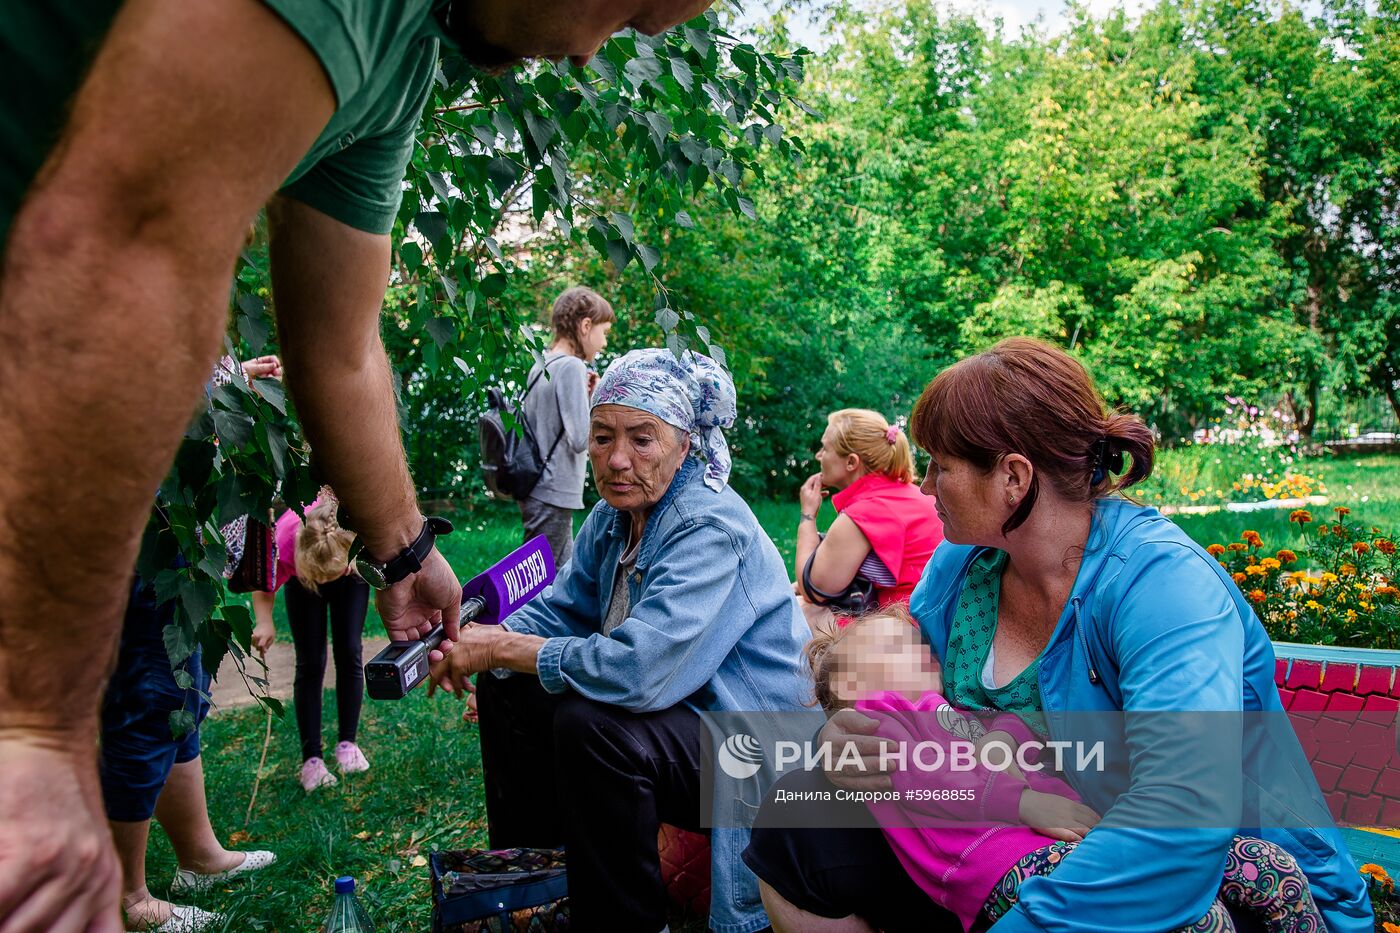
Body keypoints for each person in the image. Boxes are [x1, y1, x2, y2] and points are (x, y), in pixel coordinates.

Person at [0, 3, 713, 930]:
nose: (586, 51)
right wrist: (34, 735)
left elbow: (337, 348)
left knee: (592, 725)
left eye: (641, 440)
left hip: (753, 765)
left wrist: (408, 553)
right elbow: (125, 241)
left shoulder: (402, 60)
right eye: (625, 11)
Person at [744, 338, 1373, 933]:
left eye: (942, 465)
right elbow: (904, 704)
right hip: (1029, 849)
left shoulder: (1162, 588)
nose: (926, 485)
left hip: (1220, 877)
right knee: (799, 815)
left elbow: (1179, 823)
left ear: (1014, 478)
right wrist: (848, 730)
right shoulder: (962, 565)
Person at [429, 348, 811, 933]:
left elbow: (638, 672)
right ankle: (538, 882)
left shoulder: (707, 526)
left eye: (642, 439)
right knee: (510, 686)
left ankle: (626, 921)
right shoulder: (615, 516)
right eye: (602, 438)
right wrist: (488, 639)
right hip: (691, 719)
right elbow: (564, 609)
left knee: (594, 725)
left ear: (684, 445)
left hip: (762, 743)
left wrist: (502, 648)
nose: (616, 460)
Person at [805, 606, 1331, 933]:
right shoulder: (881, 721)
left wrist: (1004, 736)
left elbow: (1010, 724)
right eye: (897, 647)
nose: (922, 649)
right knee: (1195, 919)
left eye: (917, 642)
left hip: (1067, 843)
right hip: (1000, 866)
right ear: (854, 689)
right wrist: (1024, 801)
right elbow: (931, 782)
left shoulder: (951, 712)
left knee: (1271, 864)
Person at [251, 496, 372, 792]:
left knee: (349, 651)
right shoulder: (285, 539)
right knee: (310, 663)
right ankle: (312, 761)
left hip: (350, 576)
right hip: (302, 580)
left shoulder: (355, 530)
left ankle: (347, 744)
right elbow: (263, 581)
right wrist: (264, 620)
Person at [795, 409, 943, 629]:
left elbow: (814, 591)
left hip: (908, 636)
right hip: (936, 625)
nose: (818, 456)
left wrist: (808, 515)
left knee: (796, 610)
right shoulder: (903, 494)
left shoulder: (868, 511)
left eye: (825, 448)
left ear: (851, 462)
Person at [518, 285, 616, 565]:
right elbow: (578, 438)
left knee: (559, 572)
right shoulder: (572, 367)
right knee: (540, 577)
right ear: (586, 326)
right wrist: (594, 401)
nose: (603, 343)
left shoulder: (542, 364)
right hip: (554, 488)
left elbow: (549, 422)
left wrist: (583, 396)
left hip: (537, 485)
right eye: (604, 333)